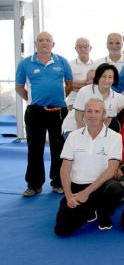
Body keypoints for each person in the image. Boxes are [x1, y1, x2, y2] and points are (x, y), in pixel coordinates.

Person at [54, 99, 124, 235]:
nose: (92, 115)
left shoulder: (115, 137)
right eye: (89, 111)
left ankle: (103, 213)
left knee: (116, 188)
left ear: (104, 114)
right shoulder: (73, 136)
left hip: (101, 186)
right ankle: (90, 209)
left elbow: (111, 170)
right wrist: (69, 196)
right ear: (84, 114)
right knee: (62, 230)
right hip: (76, 187)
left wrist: (86, 193)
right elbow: (65, 169)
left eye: (97, 111)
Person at [16, 31, 73, 196]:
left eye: (48, 40)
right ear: (36, 44)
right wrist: (34, 101)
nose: (44, 43)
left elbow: (69, 84)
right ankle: (34, 184)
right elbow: (19, 87)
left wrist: (59, 100)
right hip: (35, 112)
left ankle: (58, 182)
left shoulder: (61, 62)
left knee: (59, 148)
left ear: (53, 44)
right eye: (41, 40)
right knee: (34, 148)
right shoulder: (26, 63)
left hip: (58, 112)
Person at [61, 63, 124, 134]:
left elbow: (107, 122)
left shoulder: (116, 98)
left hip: (94, 134)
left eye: (110, 77)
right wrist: (85, 136)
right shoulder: (85, 91)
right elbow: (78, 117)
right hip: (73, 129)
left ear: (114, 79)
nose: (107, 80)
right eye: (103, 76)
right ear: (98, 77)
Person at [66, 37, 95, 108]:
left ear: (90, 48)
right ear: (75, 48)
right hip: (73, 102)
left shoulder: (96, 65)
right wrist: (88, 83)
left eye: (85, 46)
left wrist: (76, 85)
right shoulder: (69, 65)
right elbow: (68, 85)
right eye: (80, 47)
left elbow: (99, 85)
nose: (83, 49)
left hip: (93, 103)